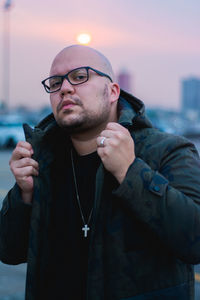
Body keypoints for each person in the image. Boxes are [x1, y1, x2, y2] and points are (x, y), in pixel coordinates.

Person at [1, 45, 200, 300]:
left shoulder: (168, 150)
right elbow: (9, 251)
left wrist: (130, 172)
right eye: (55, 82)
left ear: (113, 91)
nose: (65, 88)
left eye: (80, 76)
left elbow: (194, 240)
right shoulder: (41, 161)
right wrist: (23, 195)